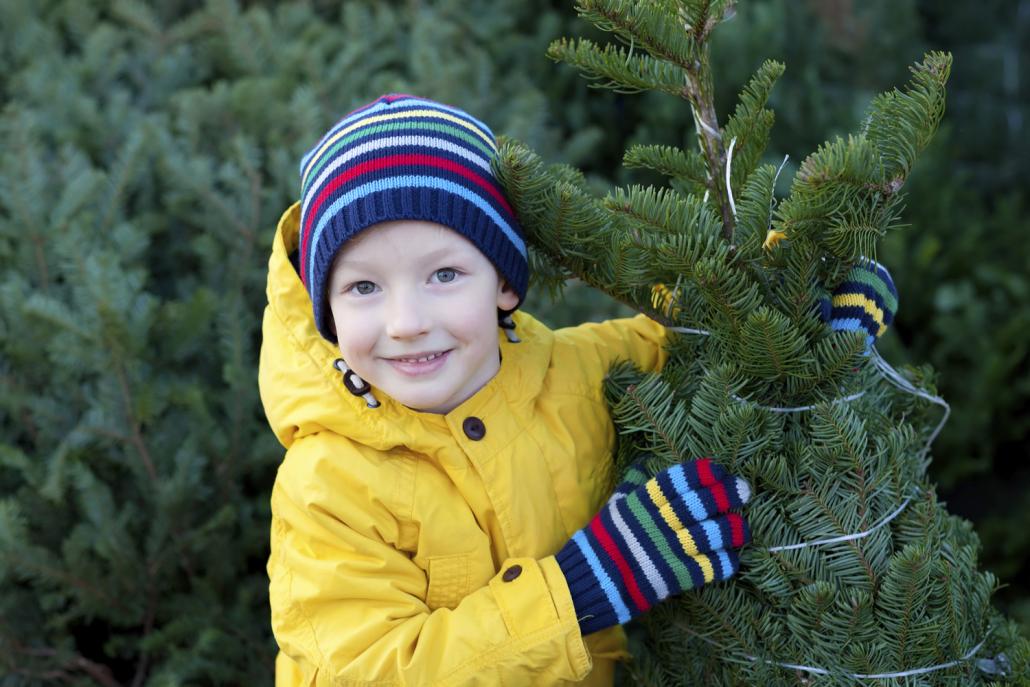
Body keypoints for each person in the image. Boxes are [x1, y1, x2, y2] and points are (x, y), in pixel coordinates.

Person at [258, 93, 752, 686]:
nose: (405, 322)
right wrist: (584, 590)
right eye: (364, 287)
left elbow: (696, 333)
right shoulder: (327, 485)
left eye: (444, 275)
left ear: (504, 285)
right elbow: (370, 672)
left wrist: (806, 294)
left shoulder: (574, 376)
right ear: (329, 315)